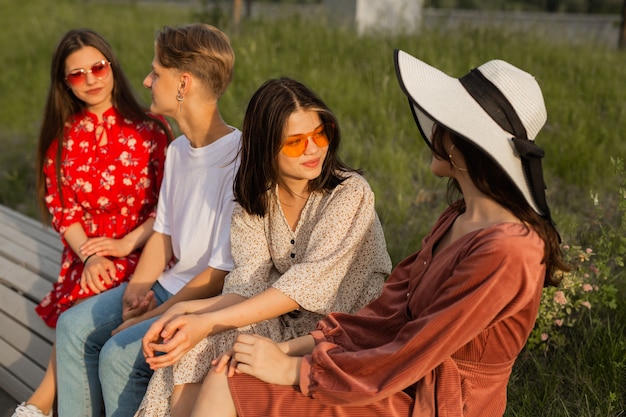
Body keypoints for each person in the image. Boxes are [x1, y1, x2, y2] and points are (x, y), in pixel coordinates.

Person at [198, 50, 570, 417]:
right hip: (390, 372)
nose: (433, 130)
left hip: (435, 399)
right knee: (226, 373)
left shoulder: (508, 250)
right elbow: (388, 314)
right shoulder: (460, 217)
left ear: (464, 146)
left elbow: (417, 347)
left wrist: (297, 370)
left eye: (444, 122)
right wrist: (293, 349)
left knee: (226, 383)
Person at [134, 77, 392, 417]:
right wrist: (186, 313)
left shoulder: (350, 194)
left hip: (347, 332)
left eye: (320, 133)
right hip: (289, 324)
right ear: (266, 146)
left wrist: (208, 321)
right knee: (192, 345)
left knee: (213, 336)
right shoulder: (257, 200)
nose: (313, 149)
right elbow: (248, 286)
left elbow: (302, 286)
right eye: (295, 142)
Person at [54, 23, 241, 417]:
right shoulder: (177, 151)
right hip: (166, 285)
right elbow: (163, 233)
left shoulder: (237, 159)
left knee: (118, 355)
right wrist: (136, 291)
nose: (146, 79)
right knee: (72, 328)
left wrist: (153, 316)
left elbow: (219, 274)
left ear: (183, 83)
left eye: (156, 72)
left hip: (203, 297)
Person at [12, 28, 171, 417]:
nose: (91, 81)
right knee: (89, 290)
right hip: (87, 256)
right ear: (64, 84)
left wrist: (124, 245)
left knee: (85, 309)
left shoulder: (151, 132)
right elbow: (63, 211)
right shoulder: (62, 139)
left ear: (112, 65)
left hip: (143, 251)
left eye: (98, 68)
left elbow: (168, 209)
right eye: (77, 75)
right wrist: (91, 257)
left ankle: (40, 403)